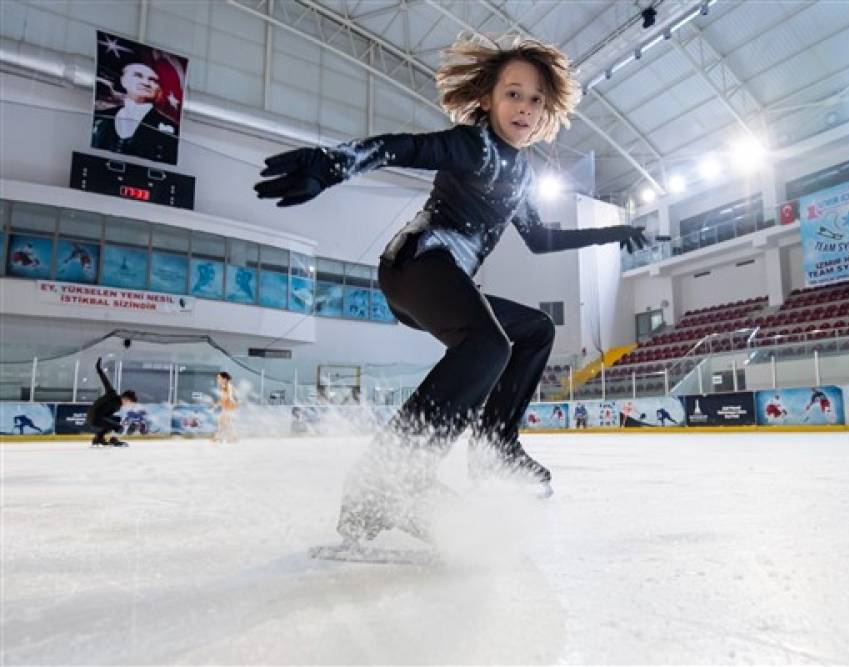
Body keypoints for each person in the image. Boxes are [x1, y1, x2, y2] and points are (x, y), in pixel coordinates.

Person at [255, 35, 648, 545]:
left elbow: (542, 238)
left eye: (535, 100)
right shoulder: (473, 145)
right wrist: (333, 165)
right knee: (489, 346)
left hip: (443, 281)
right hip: (417, 263)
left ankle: (493, 448)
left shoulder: (520, 172)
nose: (524, 109)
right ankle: (386, 479)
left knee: (533, 331)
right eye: (513, 94)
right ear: (487, 98)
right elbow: (403, 146)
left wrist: (613, 231)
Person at [92, 61, 179, 164]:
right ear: (123, 81)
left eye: (153, 80)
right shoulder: (100, 117)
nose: (146, 83)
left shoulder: (173, 131)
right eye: (138, 76)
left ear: (158, 88)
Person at [85, 357, 137, 446]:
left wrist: (99, 369)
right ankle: (113, 440)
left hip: (96, 417)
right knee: (118, 426)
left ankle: (99, 438)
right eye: (130, 403)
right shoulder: (112, 395)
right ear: (126, 399)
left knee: (118, 420)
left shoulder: (115, 399)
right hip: (95, 418)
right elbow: (105, 382)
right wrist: (99, 369)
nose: (129, 405)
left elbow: (106, 382)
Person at [212, 371, 239, 443]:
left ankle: (218, 438)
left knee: (223, 422)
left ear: (224, 379)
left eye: (219, 378)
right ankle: (232, 438)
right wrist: (215, 406)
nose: (218, 380)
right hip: (226, 407)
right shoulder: (223, 387)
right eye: (218, 378)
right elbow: (222, 399)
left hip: (228, 407)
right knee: (225, 423)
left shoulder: (228, 386)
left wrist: (230, 399)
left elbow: (229, 395)